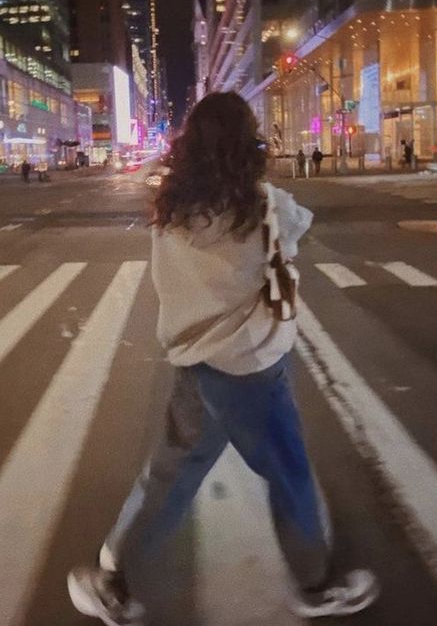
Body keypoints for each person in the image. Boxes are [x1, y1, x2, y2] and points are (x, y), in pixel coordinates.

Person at [67, 92, 378, 624]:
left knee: (172, 471)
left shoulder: (169, 210)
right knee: (288, 472)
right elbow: (299, 229)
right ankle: (314, 584)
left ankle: (112, 575)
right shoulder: (261, 205)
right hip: (250, 365)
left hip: (196, 357)